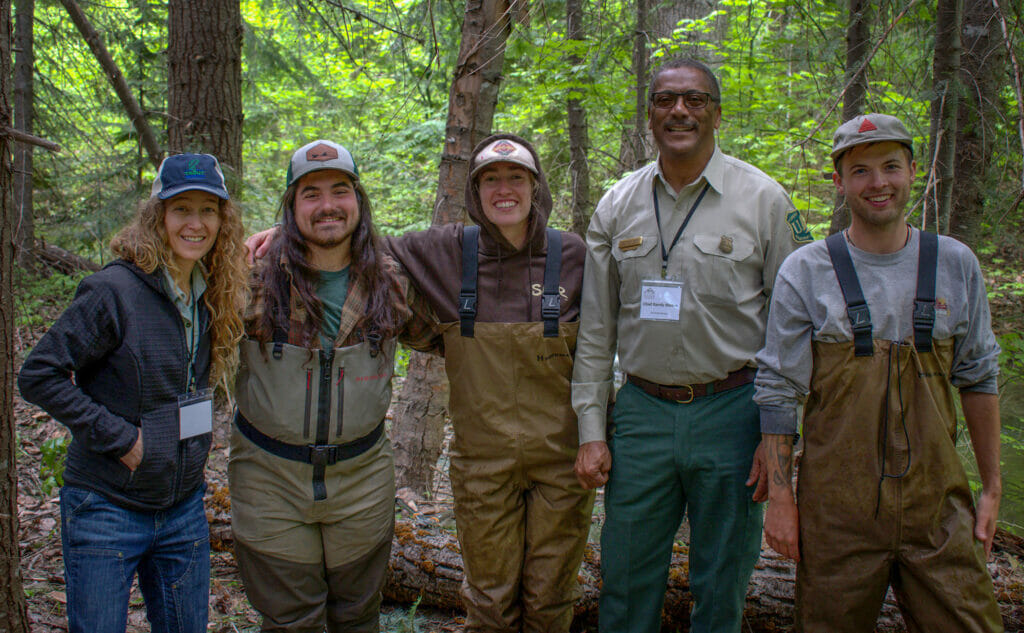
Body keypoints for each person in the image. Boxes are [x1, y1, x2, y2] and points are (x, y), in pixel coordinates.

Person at [246, 133, 594, 632]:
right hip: (483, 463)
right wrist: (279, 235)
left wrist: (599, 437)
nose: (504, 190)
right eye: (489, 179)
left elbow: (600, 355)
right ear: (474, 192)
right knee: (489, 602)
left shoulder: (576, 255)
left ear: (536, 186)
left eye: (516, 177)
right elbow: (347, 240)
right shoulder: (446, 250)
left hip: (562, 459)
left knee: (551, 600)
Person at [570, 58, 811, 633]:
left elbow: (793, 326)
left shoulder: (764, 201)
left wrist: (778, 436)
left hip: (734, 412)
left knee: (722, 578)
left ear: (716, 113)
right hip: (642, 413)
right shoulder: (618, 203)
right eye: (665, 99)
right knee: (625, 577)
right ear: (650, 113)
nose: (680, 111)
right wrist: (591, 431)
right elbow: (597, 331)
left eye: (695, 100)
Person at [754, 113, 1003, 632]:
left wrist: (992, 489)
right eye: (861, 171)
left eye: (891, 167)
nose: (878, 183)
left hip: (940, 511)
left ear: (915, 171)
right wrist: (781, 499)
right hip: (836, 514)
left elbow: (979, 378)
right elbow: (778, 389)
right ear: (839, 181)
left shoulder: (956, 263)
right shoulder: (807, 270)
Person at [18, 153, 247, 633]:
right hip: (106, 506)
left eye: (208, 209)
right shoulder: (113, 291)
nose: (196, 222)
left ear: (223, 220)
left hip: (183, 506)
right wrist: (121, 440)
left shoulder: (211, 290)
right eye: (181, 208)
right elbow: (39, 374)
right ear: (157, 216)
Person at [229, 139, 436, 633]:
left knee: (357, 617)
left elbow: (454, 339)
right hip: (268, 477)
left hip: (362, 479)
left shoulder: (392, 280)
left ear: (358, 201)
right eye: (310, 194)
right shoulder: (250, 276)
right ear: (291, 205)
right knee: (289, 620)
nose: (327, 205)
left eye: (340, 191)